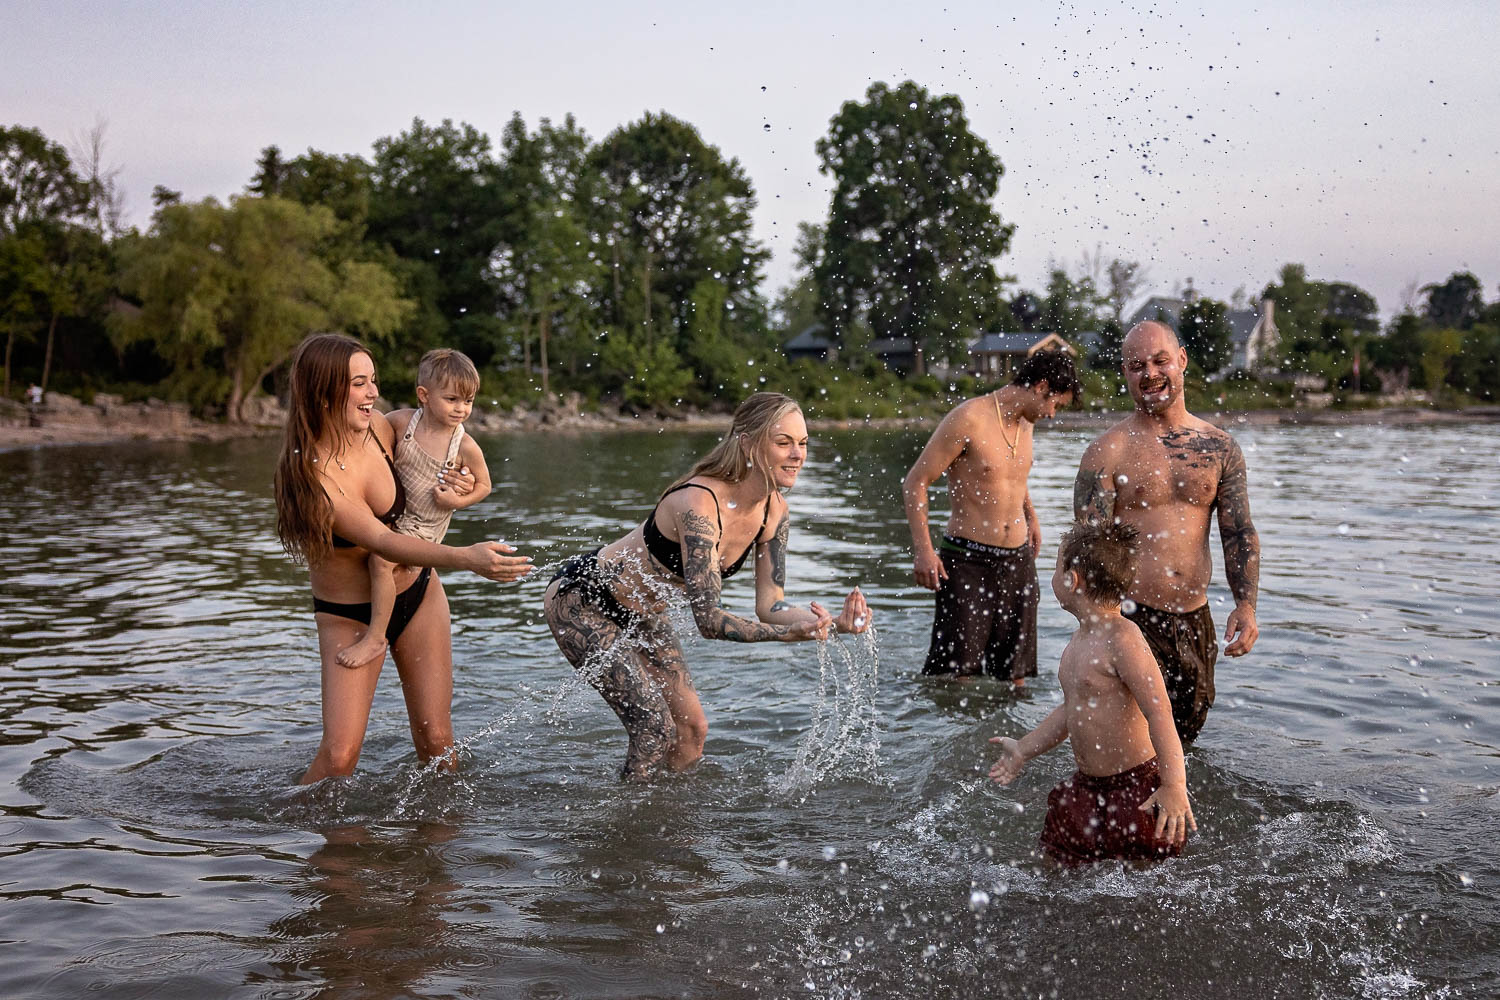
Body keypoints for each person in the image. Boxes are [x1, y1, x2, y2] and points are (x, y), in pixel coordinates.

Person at [542, 392, 872, 781]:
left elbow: (772, 606)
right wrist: (786, 637)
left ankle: (666, 818)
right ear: (748, 443)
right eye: (783, 443)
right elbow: (709, 621)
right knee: (653, 730)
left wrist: (830, 623)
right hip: (583, 599)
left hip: (644, 613)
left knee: (692, 731)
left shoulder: (775, 511)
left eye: (802, 444)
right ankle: (632, 832)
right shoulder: (699, 506)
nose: (797, 454)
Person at [273, 333, 532, 784]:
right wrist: (466, 558)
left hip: (417, 592)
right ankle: (296, 843)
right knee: (339, 758)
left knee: (436, 741)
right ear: (323, 389)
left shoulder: (381, 428)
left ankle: (440, 843)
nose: (373, 392)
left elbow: (430, 449)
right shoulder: (314, 476)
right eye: (359, 383)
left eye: (373, 380)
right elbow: (382, 540)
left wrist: (459, 483)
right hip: (349, 616)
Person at [1072, 320, 1260, 743]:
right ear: (1125, 373)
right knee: (1129, 750)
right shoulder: (1107, 451)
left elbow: (1238, 532)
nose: (1150, 373)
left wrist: (1245, 605)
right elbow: (1085, 549)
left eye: (1160, 361)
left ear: (1182, 361)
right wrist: (1096, 631)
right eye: (1137, 365)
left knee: (1184, 746)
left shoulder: (1219, 447)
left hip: (1195, 623)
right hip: (1129, 622)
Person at [989, 520, 1195, 865]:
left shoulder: (1123, 638)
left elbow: (1159, 712)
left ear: (1073, 579)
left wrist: (1173, 785)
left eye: (1056, 567)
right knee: (1057, 859)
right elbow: (1071, 712)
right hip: (1087, 787)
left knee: (1146, 870)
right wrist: (1023, 749)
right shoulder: (1078, 643)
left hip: (1138, 788)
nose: (1053, 576)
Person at [903, 351, 1081, 685]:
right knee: (956, 676)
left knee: (1016, 675)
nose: (1053, 414)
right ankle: (956, 736)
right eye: (1055, 404)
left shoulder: (1026, 423)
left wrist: (1032, 516)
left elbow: (1012, 475)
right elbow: (916, 482)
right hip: (967, 560)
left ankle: (1015, 737)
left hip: (1017, 559)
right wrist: (924, 550)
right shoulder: (969, 418)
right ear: (1041, 387)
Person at [337, 349, 492, 669]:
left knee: (381, 561)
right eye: (452, 399)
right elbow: (371, 441)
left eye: (468, 401)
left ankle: (375, 636)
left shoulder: (463, 446)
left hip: (426, 525)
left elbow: (485, 486)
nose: (461, 409)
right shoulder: (402, 423)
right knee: (378, 550)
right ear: (424, 395)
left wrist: (456, 501)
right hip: (398, 516)